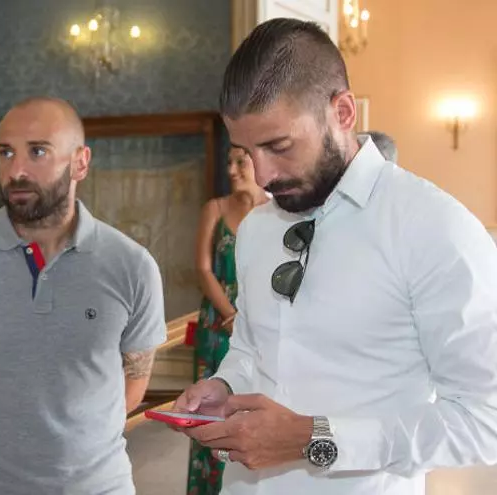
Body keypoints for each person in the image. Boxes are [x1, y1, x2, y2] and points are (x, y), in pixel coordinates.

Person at [173, 18, 497, 495]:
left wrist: (314, 439)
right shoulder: (257, 229)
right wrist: (224, 386)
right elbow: (250, 348)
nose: (262, 176)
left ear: (343, 112)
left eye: (278, 146)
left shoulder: (434, 228)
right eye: (245, 151)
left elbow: (484, 419)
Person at [0, 96, 167, 494]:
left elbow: (132, 385)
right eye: (6, 152)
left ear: (80, 162)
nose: (16, 170)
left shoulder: (133, 266)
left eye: (38, 152)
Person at [187, 146, 268, 494]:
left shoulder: (277, 212)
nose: (232, 170)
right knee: (208, 410)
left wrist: (248, 318)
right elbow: (203, 269)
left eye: (240, 161)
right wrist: (230, 314)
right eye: (229, 162)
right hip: (217, 325)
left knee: (250, 408)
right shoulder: (215, 209)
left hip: (260, 325)